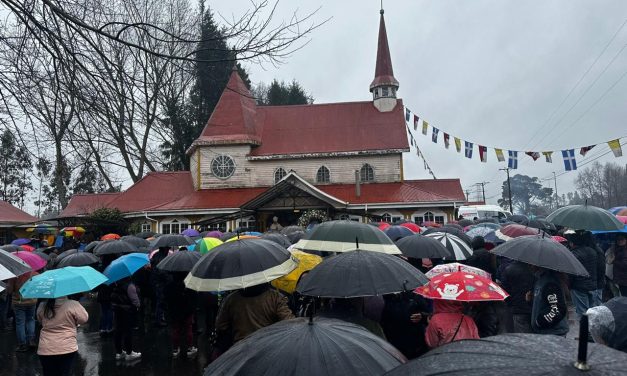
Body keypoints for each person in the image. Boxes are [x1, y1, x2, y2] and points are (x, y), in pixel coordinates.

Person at [214, 283, 293, 353]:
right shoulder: (275, 297)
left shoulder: (231, 299)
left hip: (239, 349)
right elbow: (289, 323)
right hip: (268, 348)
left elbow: (220, 326)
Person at [37, 296, 88, 376]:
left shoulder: (43, 305)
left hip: (46, 348)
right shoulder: (73, 304)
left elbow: (40, 320)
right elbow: (84, 319)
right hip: (67, 348)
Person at [529, 266, 569, 336]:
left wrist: (540, 322)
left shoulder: (549, 282)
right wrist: (531, 299)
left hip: (553, 332)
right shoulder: (541, 279)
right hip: (548, 331)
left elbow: (558, 308)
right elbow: (544, 303)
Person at [165, 272, 197, 358]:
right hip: (187, 311)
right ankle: (190, 348)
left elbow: (166, 298)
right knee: (188, 329)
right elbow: (193, 296)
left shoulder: (169, 285)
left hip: (175, 311)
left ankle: (175, 349)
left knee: (176, 330)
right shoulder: (188, 285)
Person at [568, 233, 599, 319]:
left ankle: (585, 332)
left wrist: (569, 285)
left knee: (583, 314)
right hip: (593, 285)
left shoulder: (574, 254)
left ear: (572, 243)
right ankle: (592, 331)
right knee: (592, 312)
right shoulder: (592, 251)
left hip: (579, 287)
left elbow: (571, 273)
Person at [111, 277, 142, 361]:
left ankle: (119, 352)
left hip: (118, 311)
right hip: (127, 311)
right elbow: (136, 301)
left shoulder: (116, 284)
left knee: (118, 331)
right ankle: (129, 353)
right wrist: (137, 306)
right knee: (128, 332)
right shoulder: (130, 286)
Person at [7, 270, 39, 352]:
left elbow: (9, 291)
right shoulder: (35, 274)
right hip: (32, 301)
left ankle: (22, 344)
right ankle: (31, 339)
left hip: (19, 302)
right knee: (30, 320)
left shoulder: (14, 276)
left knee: (20, 322)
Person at [500, 261, 534, 333]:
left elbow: (504, 291)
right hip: (533, 309)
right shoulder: (533, 270)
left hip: (517, 308)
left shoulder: (509, 270)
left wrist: (510, 303)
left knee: (521, 336)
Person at [150, 247, 170, 326]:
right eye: (167, 249)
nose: (168, 250)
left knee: (158, 300)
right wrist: (169, 278)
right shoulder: (162, 258)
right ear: (164, 249)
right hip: (160, 282)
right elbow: (162, 272)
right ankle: (159, 320)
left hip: (155, 281)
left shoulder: (156, 255)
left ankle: (159, 317)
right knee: (160, 301)